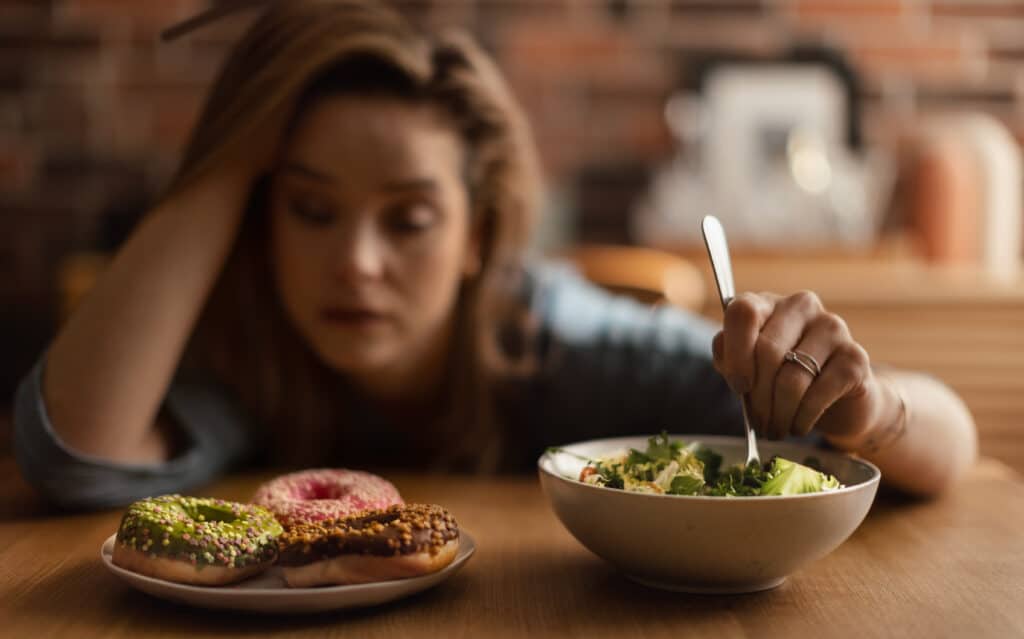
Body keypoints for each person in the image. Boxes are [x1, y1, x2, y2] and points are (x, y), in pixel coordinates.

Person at [13, 0, 976, 509]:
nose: (356, 262)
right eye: (310, 208)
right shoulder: (247, 347)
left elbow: (950, 442)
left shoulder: (568, 346)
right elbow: (77, 458)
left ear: (477, 237)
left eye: (409, 219)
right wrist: (237, 139)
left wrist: (868, 407)